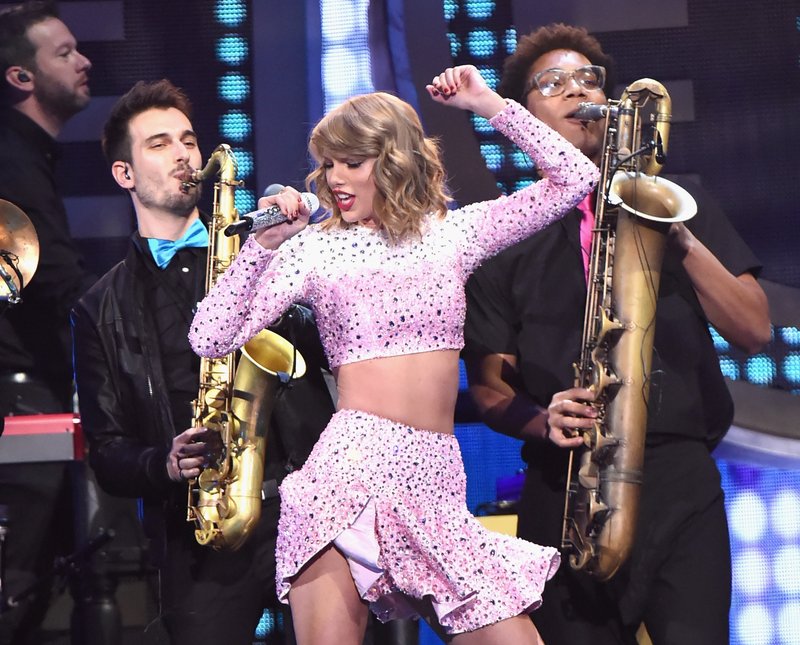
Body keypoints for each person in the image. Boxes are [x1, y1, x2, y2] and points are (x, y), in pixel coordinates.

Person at [189, 65, 598, 644]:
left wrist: (488, 104)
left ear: (394, 161)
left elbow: (575, 176)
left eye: (350, 162)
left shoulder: (454, 234)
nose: (334, 179)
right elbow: (208, 337)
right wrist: (261, 249)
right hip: (349, 472)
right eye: (327, 164)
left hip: (434, 477)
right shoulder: (313, 250)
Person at [462, 23, 771, 645]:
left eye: (589, 79)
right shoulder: (503, 239)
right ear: (524, 117)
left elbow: (755, 330)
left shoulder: (684, 204)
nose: (577, 91)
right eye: (553, 84)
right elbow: (490, 391)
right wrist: (540, 419)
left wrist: (675, 233)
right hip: (567, 484)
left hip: (680, 478)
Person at [70, 79, 336, 644]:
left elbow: (330, 350)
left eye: (188, 140)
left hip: (311, 508)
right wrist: (163, 465)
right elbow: (109, 450)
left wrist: (286, 248)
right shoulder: (99, 307)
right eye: (159, 144)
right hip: (203, 525)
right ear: (125, 174)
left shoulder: (261, 251)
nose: (184, 154)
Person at [0, 2, 94, 643]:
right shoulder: (11, 161)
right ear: (21, 77)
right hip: (20, 388)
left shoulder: (26, 157)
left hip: (32, 382)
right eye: (63, 53)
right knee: (18, 583)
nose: (84, 60)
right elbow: (51, 281)